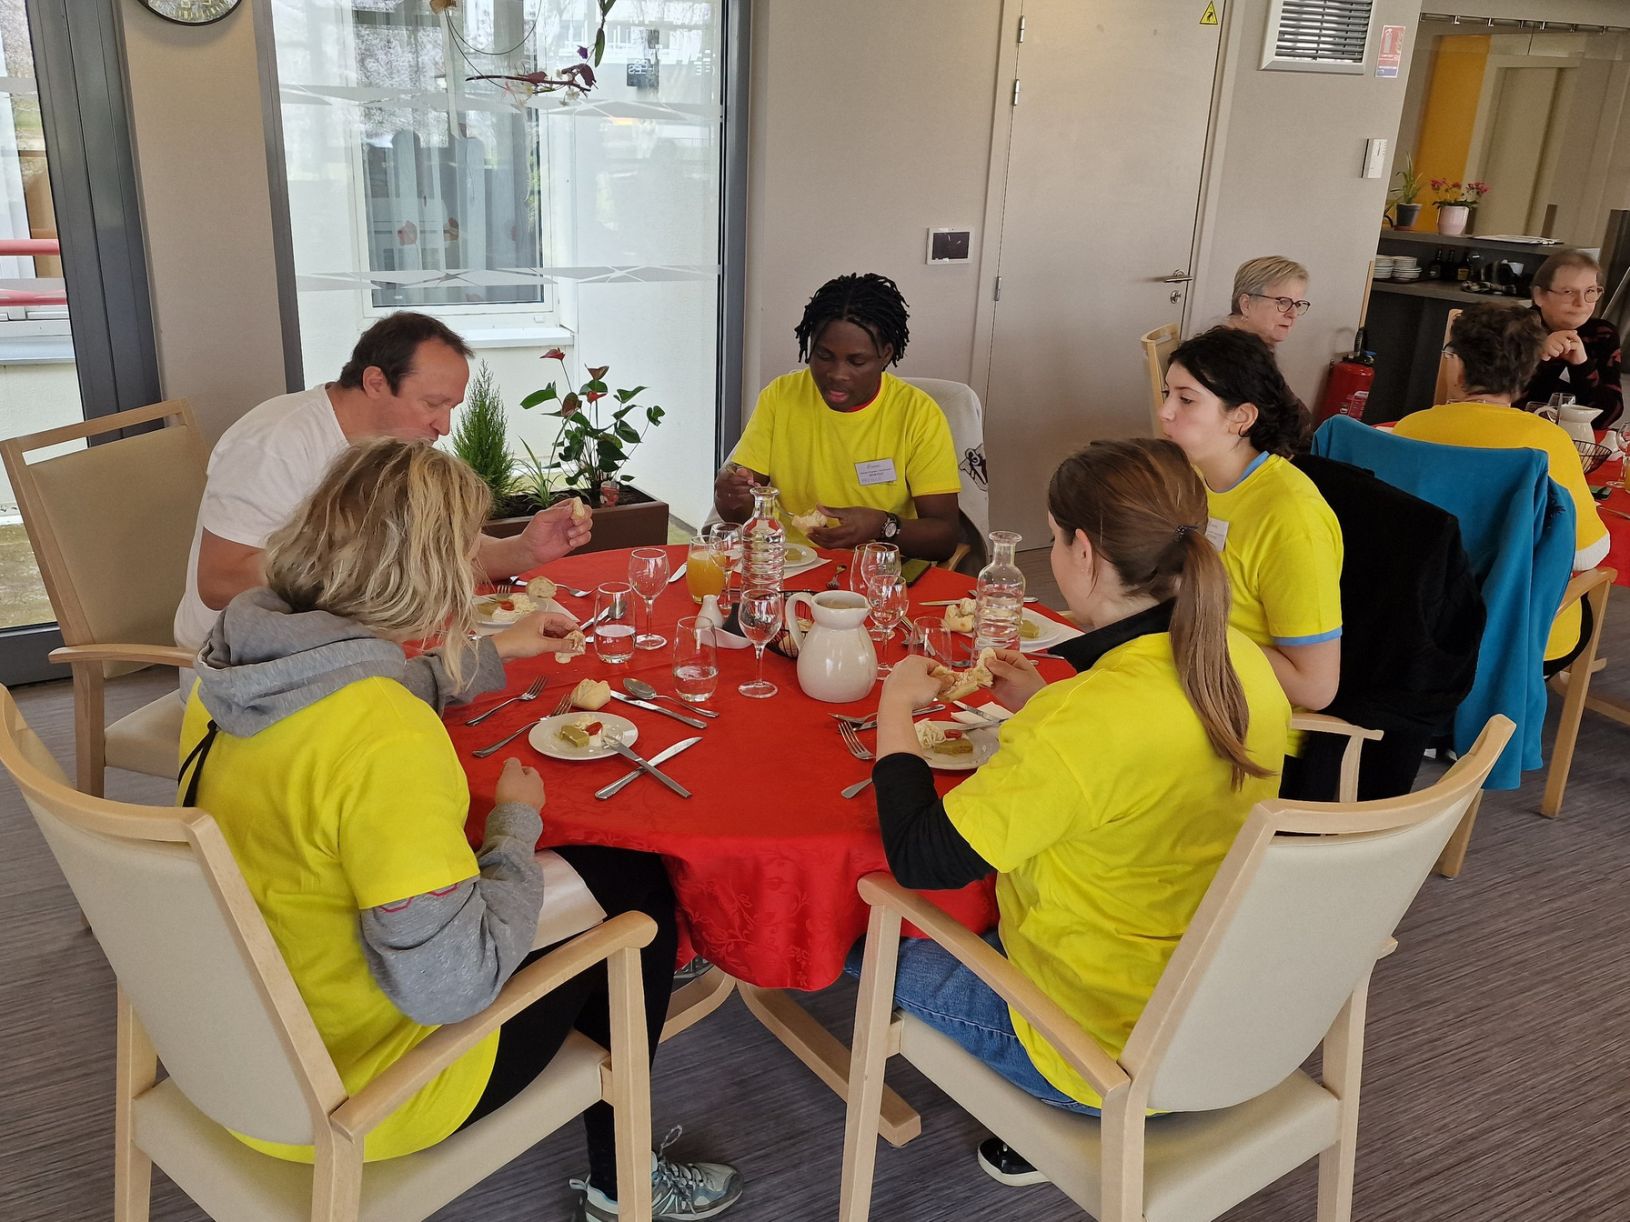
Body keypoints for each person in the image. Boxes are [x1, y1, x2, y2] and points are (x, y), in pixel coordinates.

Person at [179, 440, 742, 1221]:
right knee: (635, 894)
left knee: (594, 881)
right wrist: (514, 827)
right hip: (365, 1091)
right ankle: (626, 1179)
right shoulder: (386, 739)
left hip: (233, 1045)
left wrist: (473, 661)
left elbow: (343, 688)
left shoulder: (232, 673)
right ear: (434, 577)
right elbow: (452, 986)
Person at [856, 437, 1290, 1186]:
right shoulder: (1238, 659)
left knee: (854, 930)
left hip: (1099, 1050)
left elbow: (921, 858)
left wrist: (897, 707)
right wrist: (1053, 702)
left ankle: (1041, 1109)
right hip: (1226, 1016)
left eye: (1052, 539)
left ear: (1084, 553)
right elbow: (1152, 750)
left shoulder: (1089, 722)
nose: (1050, 554)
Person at [174, 311, 591, 657]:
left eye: (451, 408)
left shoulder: (393, 446)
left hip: (354, 647)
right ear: (375, 382)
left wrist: (523, 549)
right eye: (432, 404)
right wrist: (372, 573)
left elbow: (433, 553)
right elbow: (219, 582)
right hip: (247, 674)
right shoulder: (274, 443)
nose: (443, 427)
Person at [1394, 302, 1609, 672]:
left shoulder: (1408, 428)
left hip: (1413, 618)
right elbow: (1587, 554)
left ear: (1457, 364)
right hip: (1513, 632)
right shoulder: (1547, 442)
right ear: (1527, 373)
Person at [713, 273, 961, 561]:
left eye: (856, 361)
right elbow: (741, 511)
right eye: (824, 356)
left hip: (875, 575)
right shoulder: (781, 396)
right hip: (787, 566)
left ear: (885, 355)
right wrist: (729, 492)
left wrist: (883, 526)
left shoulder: (918, 415)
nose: (836, 374)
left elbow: (944, 537)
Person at [1159, 327, 1343, 713]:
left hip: (1241, 711)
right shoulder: (1192, 478)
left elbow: (1315, 688)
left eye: (1186, 399)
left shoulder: (1292, 519)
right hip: (1183, 673)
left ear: (1241, 417)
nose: (1165, 412)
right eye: (1167, 394)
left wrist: (1198, 635)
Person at [1522, 248, 1622, 429]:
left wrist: (1582, 365)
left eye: (1590, 291)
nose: (1581, 303)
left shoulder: (1602, 334)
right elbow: (1495, 403)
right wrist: (1538, 358)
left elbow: (1607, 416)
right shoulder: (1515, 328)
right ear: (1540, 295)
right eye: (1568, 292)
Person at [1223, 255, 1311, 347]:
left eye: (1297, 305)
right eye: (1283, 302)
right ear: (1246, 305)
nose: (1293, 314)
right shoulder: (1221, 355)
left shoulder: (1253, 352)